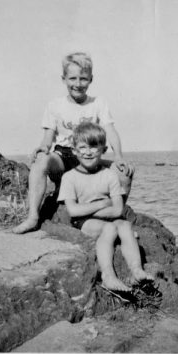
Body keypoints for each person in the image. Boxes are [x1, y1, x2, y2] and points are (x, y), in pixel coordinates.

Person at [11, 52, 133, 234]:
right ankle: (33, 217)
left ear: (91, 79)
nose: (78, 84)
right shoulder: (55, 105)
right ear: (64, 79)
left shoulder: (98, 103)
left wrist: (118, 157)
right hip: (63, 158)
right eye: (73, 78)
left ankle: (113, 216)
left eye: (83, 79)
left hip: (89, 158)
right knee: (40, 161)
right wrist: (43, 148)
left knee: (124, 172)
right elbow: (48, 137)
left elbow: (111, 131)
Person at [58, 121, 153, 295]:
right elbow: (73, 211)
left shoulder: (109, 175)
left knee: (125, 226)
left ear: (104, 149)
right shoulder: (70, 177)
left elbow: (117, 210)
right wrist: (101, 204)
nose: (88, 152)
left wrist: (88, 207)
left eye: (94, 147)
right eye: (83, 147)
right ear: (74, 151)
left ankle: (137, 270)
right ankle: (108, 276)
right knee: (109, 228)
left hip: (107, 217)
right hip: (83, 222)